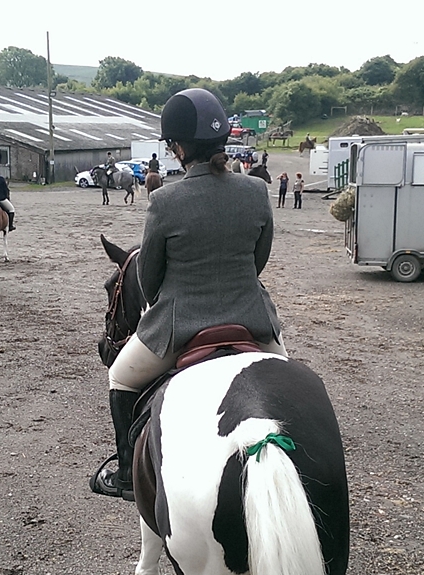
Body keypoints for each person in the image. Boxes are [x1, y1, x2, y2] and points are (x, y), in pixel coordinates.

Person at [95, 88, 288, 501]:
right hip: (252, 320)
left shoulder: (164, 200)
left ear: (179, 148)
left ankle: (127, 475)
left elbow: (148, 280)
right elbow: (258, 262)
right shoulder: (256, 190)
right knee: (289, 385)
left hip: (179, 328)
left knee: (120, 377)